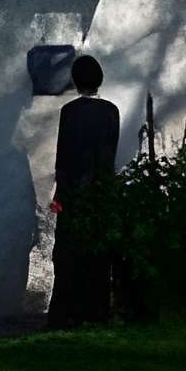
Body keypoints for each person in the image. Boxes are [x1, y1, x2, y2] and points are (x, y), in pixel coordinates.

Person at [46, 53, 121, 328]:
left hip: (74, 191)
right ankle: (96, 308)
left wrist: (60, 193)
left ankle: (67, 310)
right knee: (98, 255)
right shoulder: (111, 111)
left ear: (76, 82)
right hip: (100, 191)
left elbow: (63, 156)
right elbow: (109, 153)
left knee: (68, 254)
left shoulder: (70, 112)